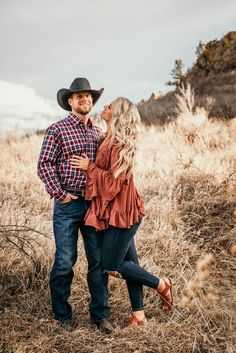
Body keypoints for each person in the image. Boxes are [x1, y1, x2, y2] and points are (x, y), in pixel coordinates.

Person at [70, 97, 173, 327]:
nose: (104, 108)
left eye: (109, 107)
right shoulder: (107, 137)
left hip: (124, 211)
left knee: (113, 265)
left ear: (117, 115)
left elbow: (113, 184)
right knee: (130, 261)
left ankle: (161, 284)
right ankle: (139, 315)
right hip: (116, 210)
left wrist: (90, 168)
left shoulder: (118, 144)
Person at [37, 77, 113, 334]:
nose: (85, 99)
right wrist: (59, 194)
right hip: (67, 203)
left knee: (98, 260)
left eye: (89, 96)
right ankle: (61, 315)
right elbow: (44, 164)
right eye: (79, 96)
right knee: (65, 260)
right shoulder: (57, 129)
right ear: (70, 101)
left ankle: (100, 315)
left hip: (93, 204)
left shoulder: (97, 132)